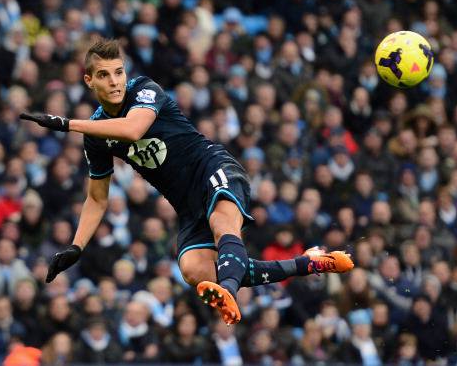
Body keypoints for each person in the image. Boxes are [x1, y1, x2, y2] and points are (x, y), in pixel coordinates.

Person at [20, 39, 354, 325]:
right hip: (186, 204)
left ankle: (230, 293)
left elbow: (133, 129)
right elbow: (97, 199)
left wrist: (66, 123)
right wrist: (77, 246)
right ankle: (307, 262)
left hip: (213, 169)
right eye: (104, 75)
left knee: (224, 226)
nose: (114, 81)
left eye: (118, 72)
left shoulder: (144, 89)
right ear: (89, 81)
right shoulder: (96, 135)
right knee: (195, 270)